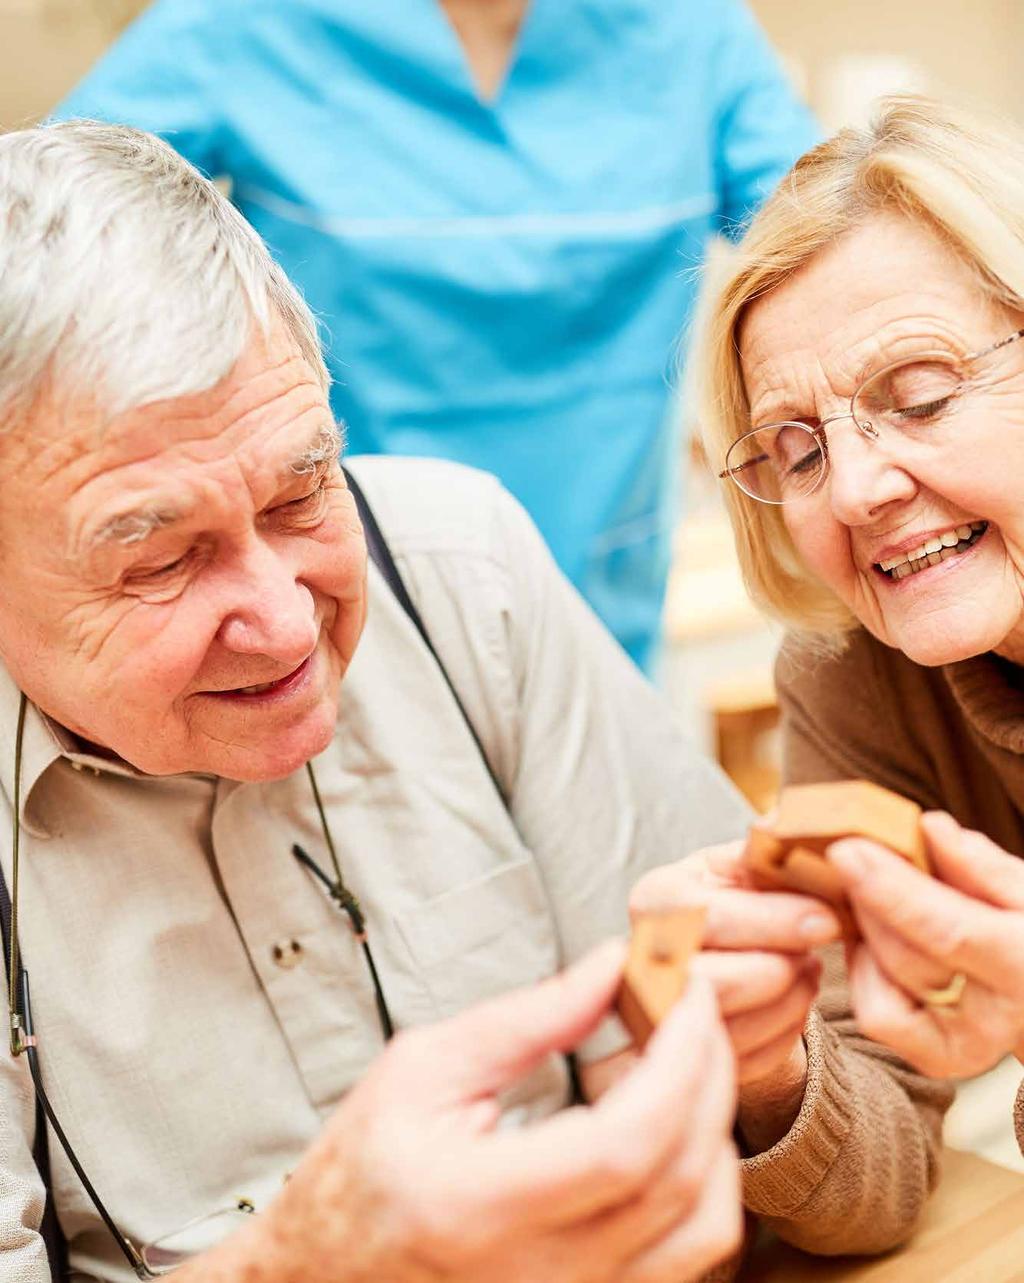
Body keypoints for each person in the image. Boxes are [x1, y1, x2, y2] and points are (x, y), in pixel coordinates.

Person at [0, 117, 869, 1283]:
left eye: (305, 489)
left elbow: (768, 1066)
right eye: (158, 560)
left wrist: (745, 1067)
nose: (284, 616)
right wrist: (307, 1260)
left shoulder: (456, 566)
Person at [53, 0, 818, 671]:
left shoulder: (690, 29)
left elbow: (831, 238)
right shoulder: (242, 24)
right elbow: (48, 228)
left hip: (604, 594)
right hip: (333, 603)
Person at [678, 93, 1024, 1203]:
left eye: (916, 398)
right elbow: (874, 1149)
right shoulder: (854, 674)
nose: (859, 488)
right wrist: (766, 1063)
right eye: (795, 450)